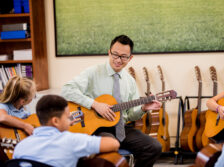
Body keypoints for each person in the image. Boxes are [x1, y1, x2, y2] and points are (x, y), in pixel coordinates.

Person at [61, 35, 162, 167]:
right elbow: (67, 90)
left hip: (122, 128)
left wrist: (143, 108)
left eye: (124, 56)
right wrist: (95, 104)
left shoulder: (130, 81)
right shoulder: (93, 72)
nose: (118, 60)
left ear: (130, 58)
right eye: (115, 54)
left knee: (154, 147)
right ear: (109, 52)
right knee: (110, 147)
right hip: (97, 129)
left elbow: (131, 114)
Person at [13, 94, 120, 167]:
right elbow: (113, 143)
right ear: (55, 121)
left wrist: (65, 123)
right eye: (67, 116)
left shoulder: (20, 147)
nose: (70, 119)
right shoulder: (72, 141)